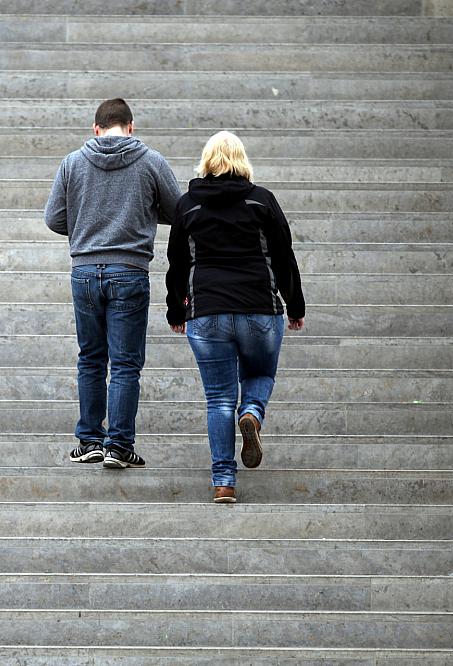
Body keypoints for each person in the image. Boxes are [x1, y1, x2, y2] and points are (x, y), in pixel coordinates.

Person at [165, 131, 305, 503]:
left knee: (218, 400)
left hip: (207, 312)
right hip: (259, 308)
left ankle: (224, 482)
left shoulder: (188, 205)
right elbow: (283, 256)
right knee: (260, 374)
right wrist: (295, 306)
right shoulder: (262, 201)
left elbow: (177, 262)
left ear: (207, 160)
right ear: (242, 159)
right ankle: (253, 413)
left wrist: (176, 310)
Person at [44, 98, 182, 469]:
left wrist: (87, 227)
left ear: (97, 128)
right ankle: (118, 446)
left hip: (85, 272)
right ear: (131, 126)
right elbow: (179, 211)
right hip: (130, 271)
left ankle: (89, 439)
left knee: (90, 358)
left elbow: (53, 218)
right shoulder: (151, 161)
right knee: (124, 364)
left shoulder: (73, 162)